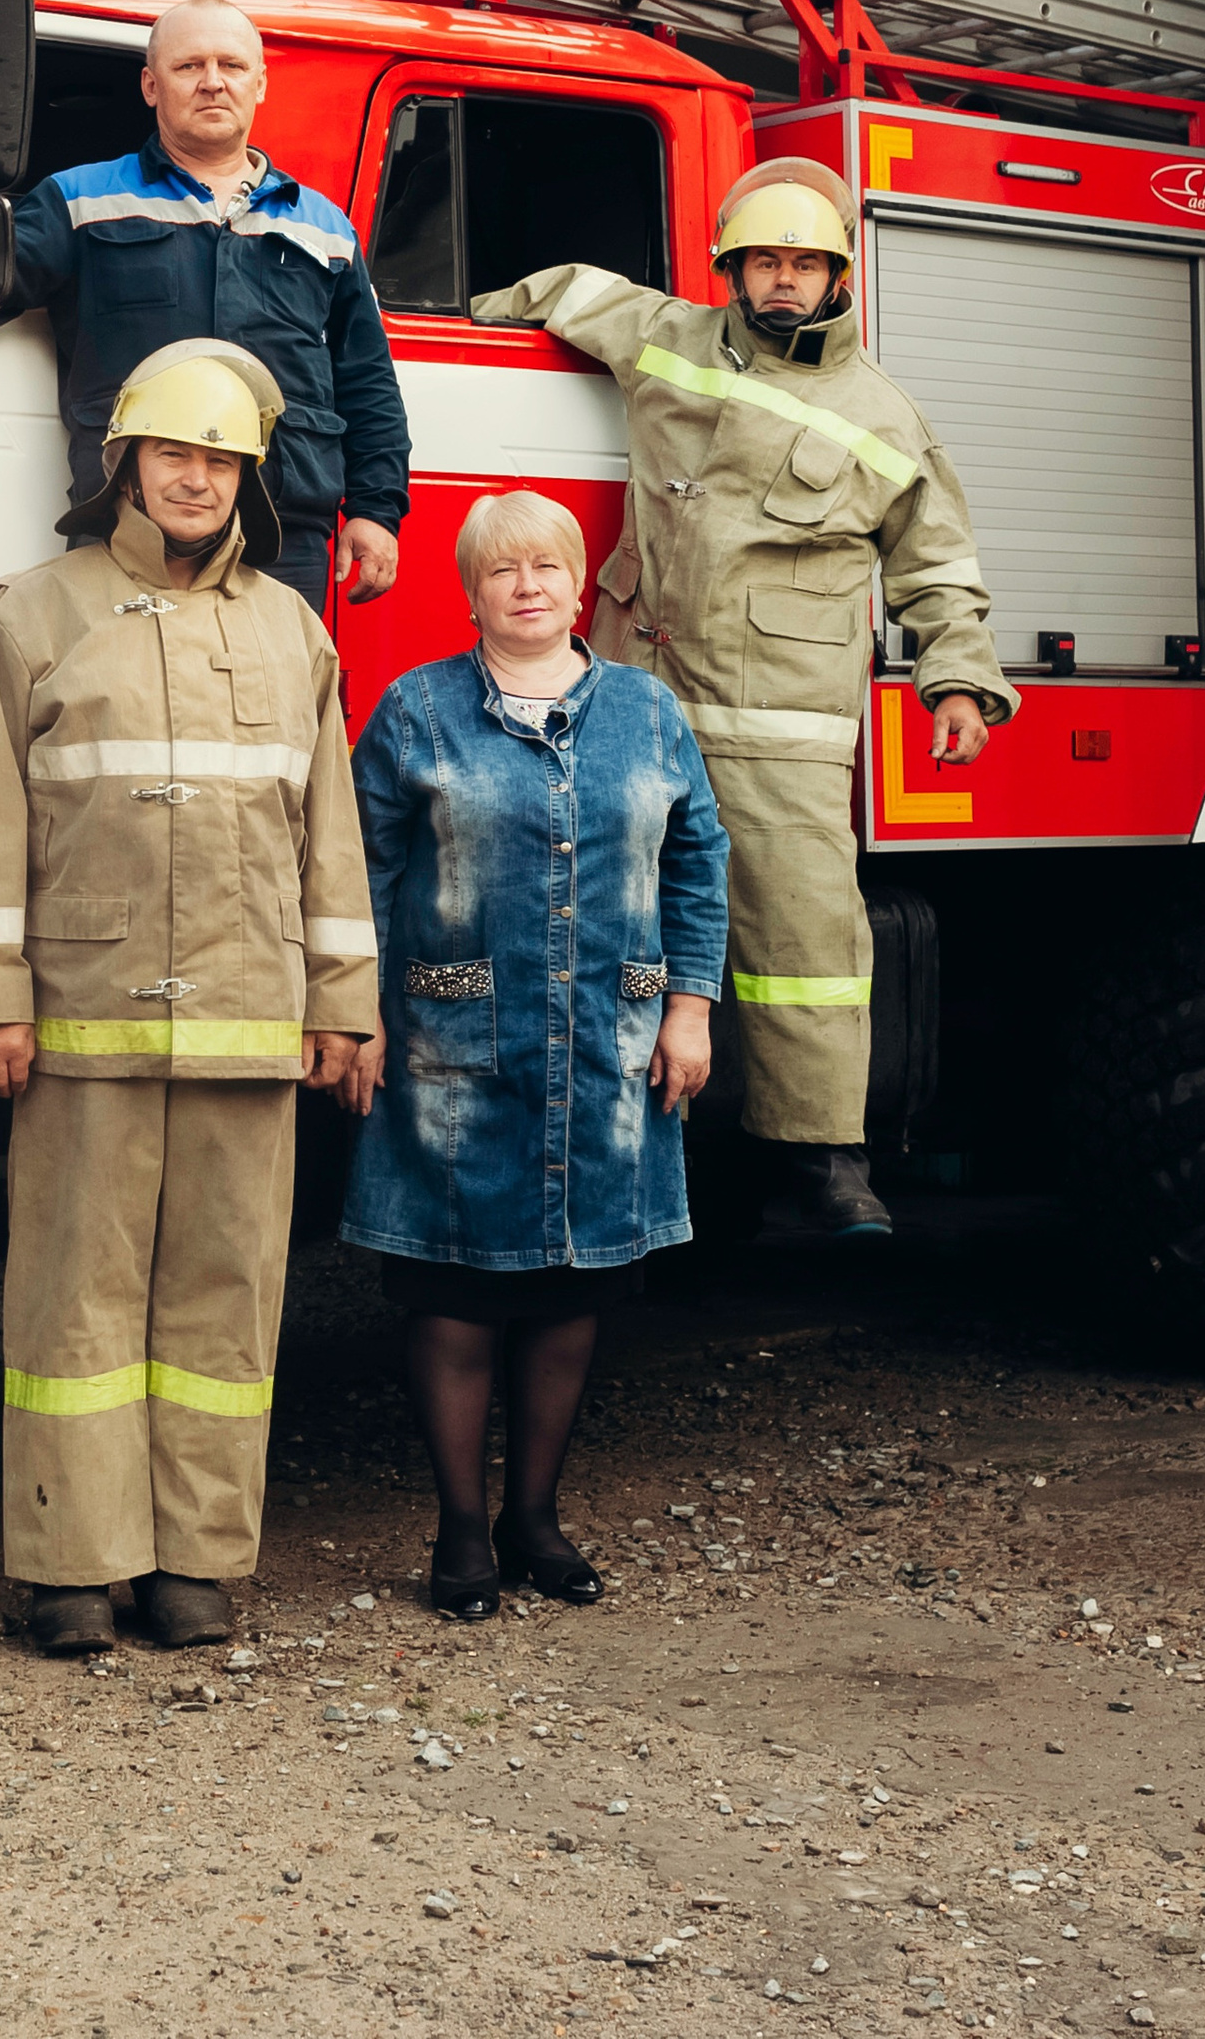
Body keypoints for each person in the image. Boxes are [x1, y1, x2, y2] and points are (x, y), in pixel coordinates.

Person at [470, 160, 1013, 1239]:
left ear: (835, 277)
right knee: (602, 911)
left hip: (784, 720)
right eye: (763, 261)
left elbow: (937, 570)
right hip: (634, 692)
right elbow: (556, 290)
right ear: (730, 267)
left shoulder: (883, 417)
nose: (781, 281)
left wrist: (955, 680)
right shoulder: (662, 333)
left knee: (802, 933)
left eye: (802, 264)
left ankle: (822, 1157)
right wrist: (455, 314)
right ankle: (592, 1142)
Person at [0, 338, 379, 1653]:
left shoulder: (293, 632)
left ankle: (194, 1560)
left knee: (222, 1302)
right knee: (73, 1300)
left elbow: (331, 838)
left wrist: (345, 1000)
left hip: (252, 1024)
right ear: (126, 461)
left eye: (222, 458)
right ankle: (72, 1566)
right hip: (81, 1021)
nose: (198, 478)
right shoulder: (32, 613)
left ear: (250, 478)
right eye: (177, 453)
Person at [343, 490, 728, 1620]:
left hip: (611, 1052)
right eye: (500, 569)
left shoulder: (648, 714)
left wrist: (690, 1008)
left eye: (546, 565)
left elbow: (698, 865)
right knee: (453, 1297)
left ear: (577, 585)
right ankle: (462, 1530)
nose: (526, 584)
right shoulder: (415, 711)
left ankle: (535, 1518)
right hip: (455, 1054)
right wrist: (352, 1011)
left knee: (571, 1296)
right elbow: (356, 872)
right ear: (469, 592)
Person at [0, 0, 412, 613]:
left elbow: (366, 380)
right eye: (188, 66)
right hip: (131, 518)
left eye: (232, 66)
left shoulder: (324, 226)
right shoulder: (82, 200)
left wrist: (375, 509)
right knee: (121, 701)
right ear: (150, 85)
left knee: (274, 705)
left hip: (282, 527)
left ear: (260, 83)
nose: (213, 83)